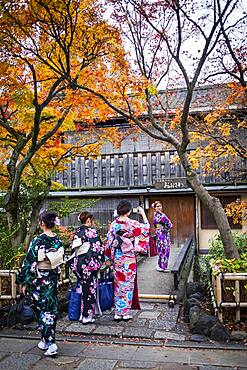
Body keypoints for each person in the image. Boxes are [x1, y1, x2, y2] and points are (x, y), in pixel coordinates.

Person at [16, 211, 64, 356]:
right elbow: (60, 258)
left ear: (42, 223)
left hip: (39, 279)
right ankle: (44, 340)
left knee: (43, 310)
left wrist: (23, 281)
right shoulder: (58, 240)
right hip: (52, 278)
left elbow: (29, 261)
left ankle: (51, 343)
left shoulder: (38, 240)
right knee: (49, 308)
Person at [107, 200, 150, 321]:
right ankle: (125, 312)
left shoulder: (114, 225)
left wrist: (110, 257)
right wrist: (143, 214)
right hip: (129, 257)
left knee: (118, 284)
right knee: (128, 285)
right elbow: (146, 229)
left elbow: (109, 243)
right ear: (129, 211)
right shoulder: (132, 223)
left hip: (118, 257)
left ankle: (117, 312)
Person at [69, 211, 104, 324]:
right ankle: (87, 316)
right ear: (88, 220)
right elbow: (98, 247)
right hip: (88, 264)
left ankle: (81, 314)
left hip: (78, 263)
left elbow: (73, 248)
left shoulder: (77, 232)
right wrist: (100, 260)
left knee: (83, 289)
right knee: (89, 290)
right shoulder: (91, 232)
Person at [152, 200, 173, 272]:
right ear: (154, 208)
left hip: (163, 233)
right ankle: (163, 267)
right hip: (162, 234)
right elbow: (170, 224)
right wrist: (166, 225)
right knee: (164, 249)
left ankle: (161, 265)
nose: (159, 207)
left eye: (160, 206)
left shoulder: (160, 215)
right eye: (157, 206)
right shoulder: (160, 215)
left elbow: (169, 224)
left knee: (163, 249)